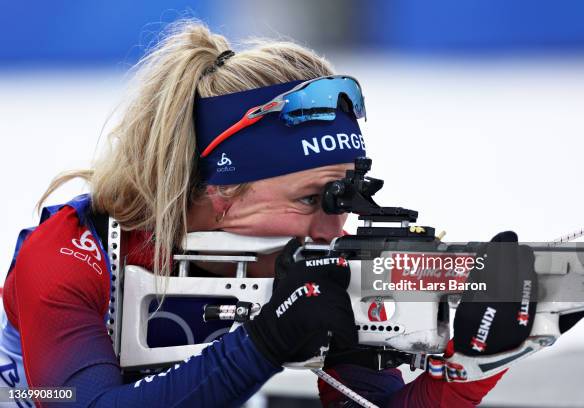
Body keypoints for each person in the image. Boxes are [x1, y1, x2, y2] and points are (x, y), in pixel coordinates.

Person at [0, 19, 539, 408]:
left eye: (345, 199)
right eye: (311, 200)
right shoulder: (74, 253)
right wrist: (265, 342)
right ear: (222, 190)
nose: (336, 230)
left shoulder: (321, 266)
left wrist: (468, 369)